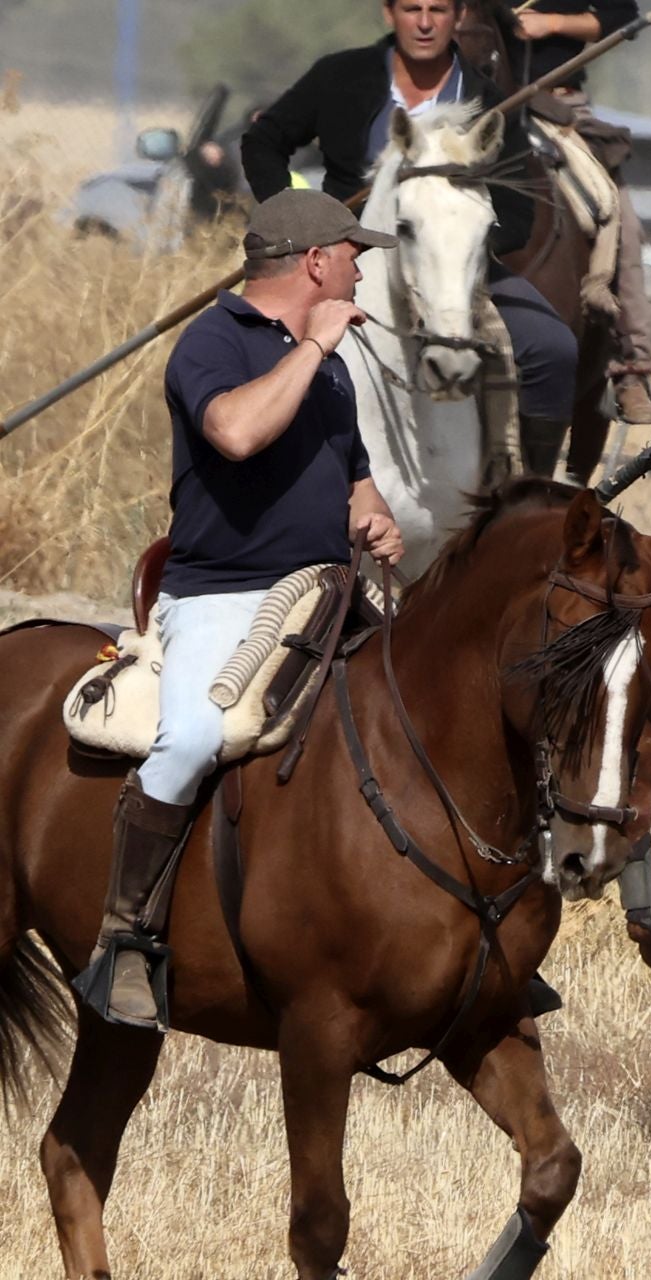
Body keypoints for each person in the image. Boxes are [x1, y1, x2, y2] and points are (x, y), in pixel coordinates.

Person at [73, 191, 406, 1031]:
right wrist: (314, 346)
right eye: (353, 255)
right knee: (190, 738)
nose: (361, 271)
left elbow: (355, 479)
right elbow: (235, 432)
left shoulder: (331, 368)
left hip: (325, 592)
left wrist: (373, 515)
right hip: (224, 598)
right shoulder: (214, 341)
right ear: (316, 263)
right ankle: (125, 939)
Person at [241, 0, 582, 477]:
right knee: (252, 337)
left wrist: (458, 243)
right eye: (412, 8)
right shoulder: (339, 76)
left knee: (552, 349)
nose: (424, 23)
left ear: (458, 17)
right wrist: (299, 223)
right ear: (389, 13)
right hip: (334, 258)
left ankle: (533, 492)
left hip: (455, 267)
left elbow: (518, 212)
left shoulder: (489, 101)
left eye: (437, 9)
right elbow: (262, 142)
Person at [500, 0, 651, 426]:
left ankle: (630, 366)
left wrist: (551, 23)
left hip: (562, 110)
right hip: (488, 107)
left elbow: (620, 17)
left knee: (623, 224)